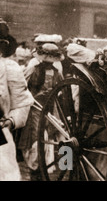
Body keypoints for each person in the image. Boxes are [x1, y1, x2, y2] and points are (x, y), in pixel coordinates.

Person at [18, 36, 65, 180]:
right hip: (35, 107)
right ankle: (35, 167)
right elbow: (22, 85)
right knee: (37, 136)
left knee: (56, 134)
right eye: (46, 60)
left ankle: (59, 165)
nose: (48, 63)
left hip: (50, 107)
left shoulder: (57, 73)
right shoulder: (34, 69)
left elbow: (62, 89)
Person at [0, 19, 34, 181]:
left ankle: (62, 167)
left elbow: (23, 101)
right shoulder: (34, 65)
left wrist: (11, 121)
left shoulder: (8, 68)